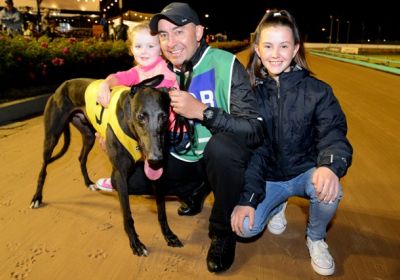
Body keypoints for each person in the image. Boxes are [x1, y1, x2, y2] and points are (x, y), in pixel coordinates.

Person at [97, 2, 263, 273]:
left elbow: (255, 130)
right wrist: (116, 140)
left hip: (218, 156)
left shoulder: (226, 64)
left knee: (222, 150)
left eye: (178, 32)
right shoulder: (157, 73)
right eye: (163, 35)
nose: (170, 42)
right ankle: (196, 190)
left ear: (198, 32)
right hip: (180, 154)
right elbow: (134, 115)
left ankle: (222, 233)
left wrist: (203, 112)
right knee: (132, 180)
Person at [230, 10, 353, 276]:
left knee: (330, 190)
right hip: (269, 178)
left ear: (295, 48)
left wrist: (330, 165)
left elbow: (333, 131)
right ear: (257, 49)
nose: (276, 54)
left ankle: (316, 238)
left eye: (284, 45)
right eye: (268, 46)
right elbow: (253, 152)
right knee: (247, 229)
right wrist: (249, 199)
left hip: (305, 170)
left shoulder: (318, 91)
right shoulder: (248, 95)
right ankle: (277, 203)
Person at [94, 20, 183, 191]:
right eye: (138, 46)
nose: (144, 51)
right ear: (131, 49)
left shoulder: (165, 74)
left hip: (167, 132)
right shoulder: (137, 71)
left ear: (161, 49)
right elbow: (118, 77)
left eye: (150, 46)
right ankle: (121, 172)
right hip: (147, 129)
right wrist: (105, 84)